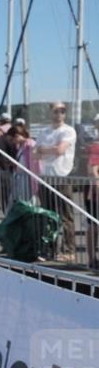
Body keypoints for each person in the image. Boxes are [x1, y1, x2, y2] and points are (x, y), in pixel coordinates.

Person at [34, 102, 78, 260]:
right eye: (56, 111)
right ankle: (50, 249)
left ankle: (68, 250)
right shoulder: (43, 131)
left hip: (62, 177)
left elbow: (60, 150)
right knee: (48, 216)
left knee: (66, 215)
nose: (59, 114)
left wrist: (44, 150)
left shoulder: (68, 131)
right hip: (46, 177)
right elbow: (35, 153)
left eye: (62, 111)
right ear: (50, 113)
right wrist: (51, 149)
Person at [86, 115, 99, 269]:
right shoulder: (95, 146)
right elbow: (93, 171)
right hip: (94, 194)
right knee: (93, 226)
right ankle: (91, 259)